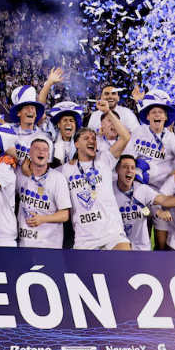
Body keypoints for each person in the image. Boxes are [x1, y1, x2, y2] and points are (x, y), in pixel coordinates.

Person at [58, 100, 131, 250]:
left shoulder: (104, 159)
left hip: (112, 233)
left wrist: (108, 112)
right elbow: (42, 172)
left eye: (93, 138)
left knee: (125, 261)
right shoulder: (65, 170)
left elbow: (125, 137)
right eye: (86, 138)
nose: (92, 141)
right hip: (84, 239)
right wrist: (26, 162)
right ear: (77, 145)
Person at [114, 154, 175, 250]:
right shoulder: (109, 191)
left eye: (132, 168)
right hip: (118, 246)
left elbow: (164, 200)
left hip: (141, 248)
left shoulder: (142, 189)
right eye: (125, 167)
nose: (129, 170)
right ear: (117, 169)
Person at [16, 138, 70, 248]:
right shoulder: (19, 175)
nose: (41, 152)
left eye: (45, 150)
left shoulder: (58, 178)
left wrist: (42, 219)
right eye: (37, 149)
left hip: (49, 245)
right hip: (24, 244)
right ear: (30, 153)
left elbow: (64, 215)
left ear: (48, 155)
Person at [6, 86, 53, 165]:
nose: (30, 110)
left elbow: (46, 167)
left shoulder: (45, 138)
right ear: (19, 113)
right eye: (26, 107)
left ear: (36, 114)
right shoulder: (8, 131)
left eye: (32, 108)